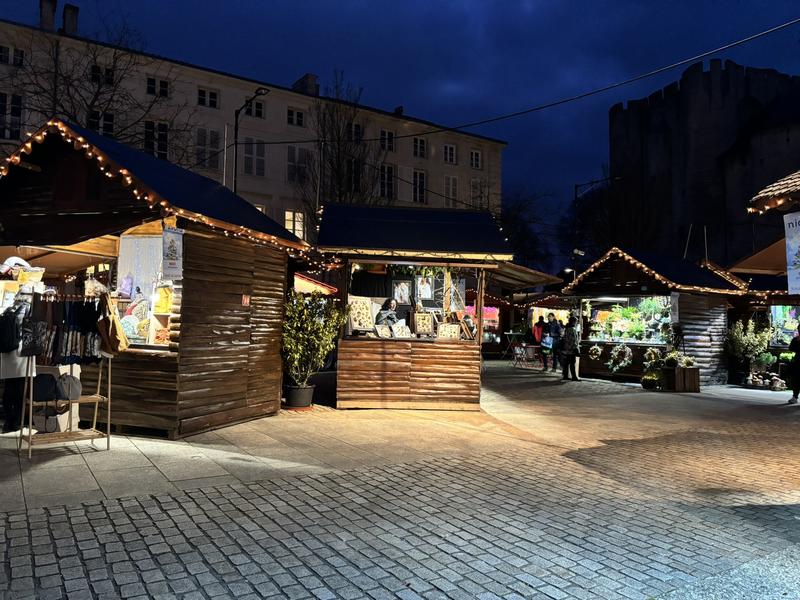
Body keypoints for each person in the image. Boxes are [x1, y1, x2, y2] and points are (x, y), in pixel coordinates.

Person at [561, 316, 581, 381]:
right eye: (576, 322)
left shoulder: (566, 329)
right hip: (571, 349)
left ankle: (565, 375)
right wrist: (576, 348)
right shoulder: (573, 329)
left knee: (566, 363)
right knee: (572, 363)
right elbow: (574, 340)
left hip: (566, 349)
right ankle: (574, 376)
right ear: (573, 322)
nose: (576, 323)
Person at [789, 323, 800, 404]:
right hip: (798, 361)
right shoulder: (795, 339)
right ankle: (795, 396)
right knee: (796, 380)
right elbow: (791, 348)